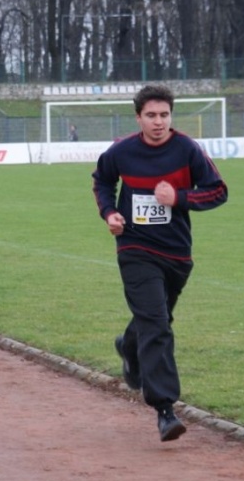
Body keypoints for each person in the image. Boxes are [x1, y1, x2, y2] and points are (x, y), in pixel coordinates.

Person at [92, 84, 228, 443]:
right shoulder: (121, 151)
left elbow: (218, 191)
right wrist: (110, 213)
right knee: (157, 325)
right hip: (135, 248)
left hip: (177, 253)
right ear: (138, 118)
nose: (158, 122)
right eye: (151, 115)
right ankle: (165, 410)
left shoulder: (187, 149)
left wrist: (179, 197)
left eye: (164, 115)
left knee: (156, 318)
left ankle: (129, 345)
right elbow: (102, 181)